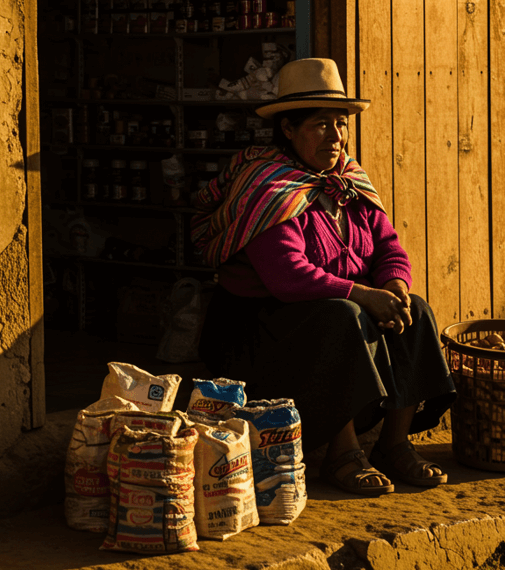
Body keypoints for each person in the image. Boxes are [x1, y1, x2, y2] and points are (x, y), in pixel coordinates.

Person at [191, 58, 455, 496]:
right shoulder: (267, 186)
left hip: (326, 312)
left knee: (416, 310)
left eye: (341, 124)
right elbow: (288, 276)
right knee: (344, 316)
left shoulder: (348, 180)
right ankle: (344, 452)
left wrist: (392, 288)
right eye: (320, 125)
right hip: (257, 331)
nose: (335, 137)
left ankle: (394, 444)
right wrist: (364, 295)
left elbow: (389, 247)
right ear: (289, 130)